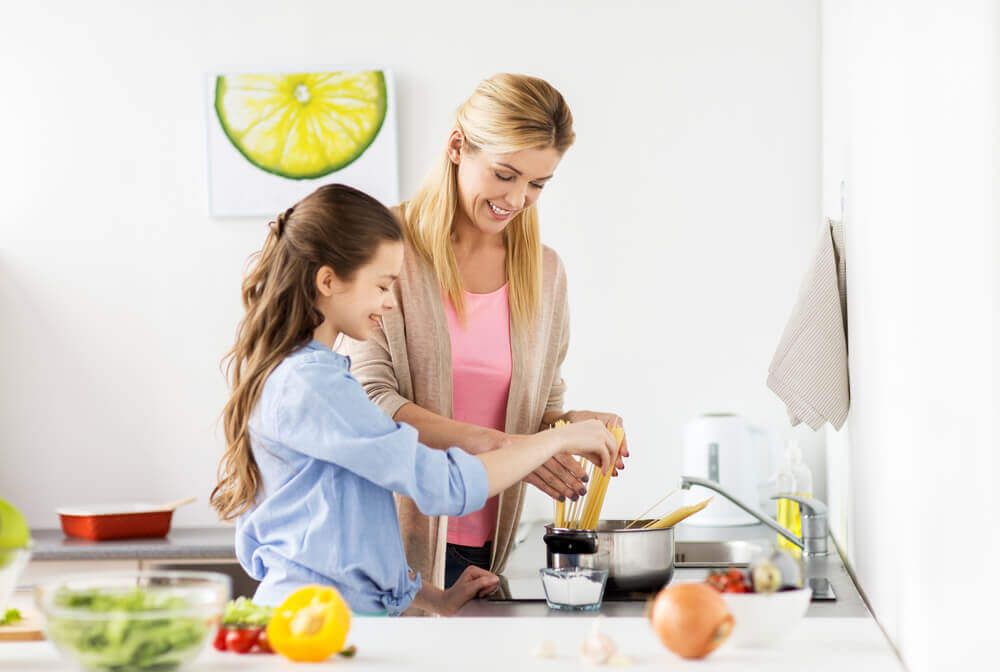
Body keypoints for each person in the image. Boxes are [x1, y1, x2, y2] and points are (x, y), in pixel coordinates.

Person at [211, 183, 616, 616]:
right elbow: (444, 485)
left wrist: (432, 597)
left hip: (330, 617)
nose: (390, 302)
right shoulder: (311, 387)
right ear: (328, 281)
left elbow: (349, 535)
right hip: (311, 624)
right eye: (382, 286)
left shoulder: (316, 376)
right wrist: (556, 440)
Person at [339, 74, 629, 590]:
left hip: (485, 549)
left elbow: (539, 406)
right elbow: (369, 402)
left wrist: (566, 427)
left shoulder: (544, 272)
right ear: (457, 147)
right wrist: (510, 447)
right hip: (384, 541)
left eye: (537, 184)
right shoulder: (387, 249)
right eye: (505, 174)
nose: (517, 198)